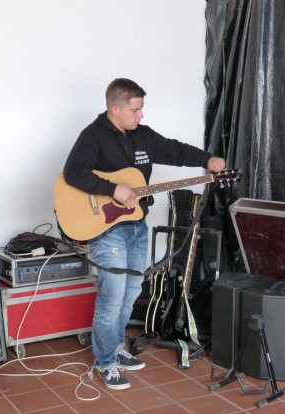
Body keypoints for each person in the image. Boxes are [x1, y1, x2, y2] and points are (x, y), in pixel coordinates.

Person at [63, 78, 225, 390]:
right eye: (135, 110)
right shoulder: (93, 136)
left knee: (131, 292)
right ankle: (105, 362)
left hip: (137, 225)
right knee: (112, 298)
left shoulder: (143, 136)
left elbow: (175, 150)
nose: (140, 115)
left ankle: (116, 348)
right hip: (107, 230)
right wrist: (112, 189)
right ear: (115, 109)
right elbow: (74, 172)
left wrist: (207, 160)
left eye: (141, 109)